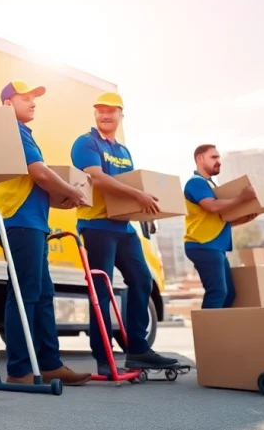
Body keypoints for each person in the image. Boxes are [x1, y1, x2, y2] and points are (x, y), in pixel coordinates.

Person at [0, 81, 93, 386]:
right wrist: (71, 190)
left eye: (35, 98)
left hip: (31, 221)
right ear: (8, 104)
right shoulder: (13, 130)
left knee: (43, 294)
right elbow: (40, 173)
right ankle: (19, 370)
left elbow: (38, 181)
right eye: (26, 98)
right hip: (19, 220)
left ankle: (49, 364)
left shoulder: (22, 132)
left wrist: (63, 195)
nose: (33, 103)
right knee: (25, 294)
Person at [69, 92, 179, 376]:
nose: (105, 115)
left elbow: (128, 189)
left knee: (142, 279)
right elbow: (95, 176)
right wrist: (138, 195)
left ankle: (138, 350)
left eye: (111, 111)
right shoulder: (86, 142)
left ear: (121, 114)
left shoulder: (124, 151)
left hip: (123, 227)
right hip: (96, 226)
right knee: (102, 291)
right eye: (100, 111)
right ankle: (104, 357)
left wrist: (144, 206)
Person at [183, 144, 258, 309]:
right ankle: (208, 334)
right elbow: (212, 207)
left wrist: (244, 219)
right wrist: (242, 198)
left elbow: (219, 220)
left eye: (219, 158)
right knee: (217, 292)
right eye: (214, 157)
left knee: (228, 293)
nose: (219, 161)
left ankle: (219, 331)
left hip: (215, 246)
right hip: (202, 244)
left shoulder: (211, 185)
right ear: (200, 159)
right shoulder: (196, 183)